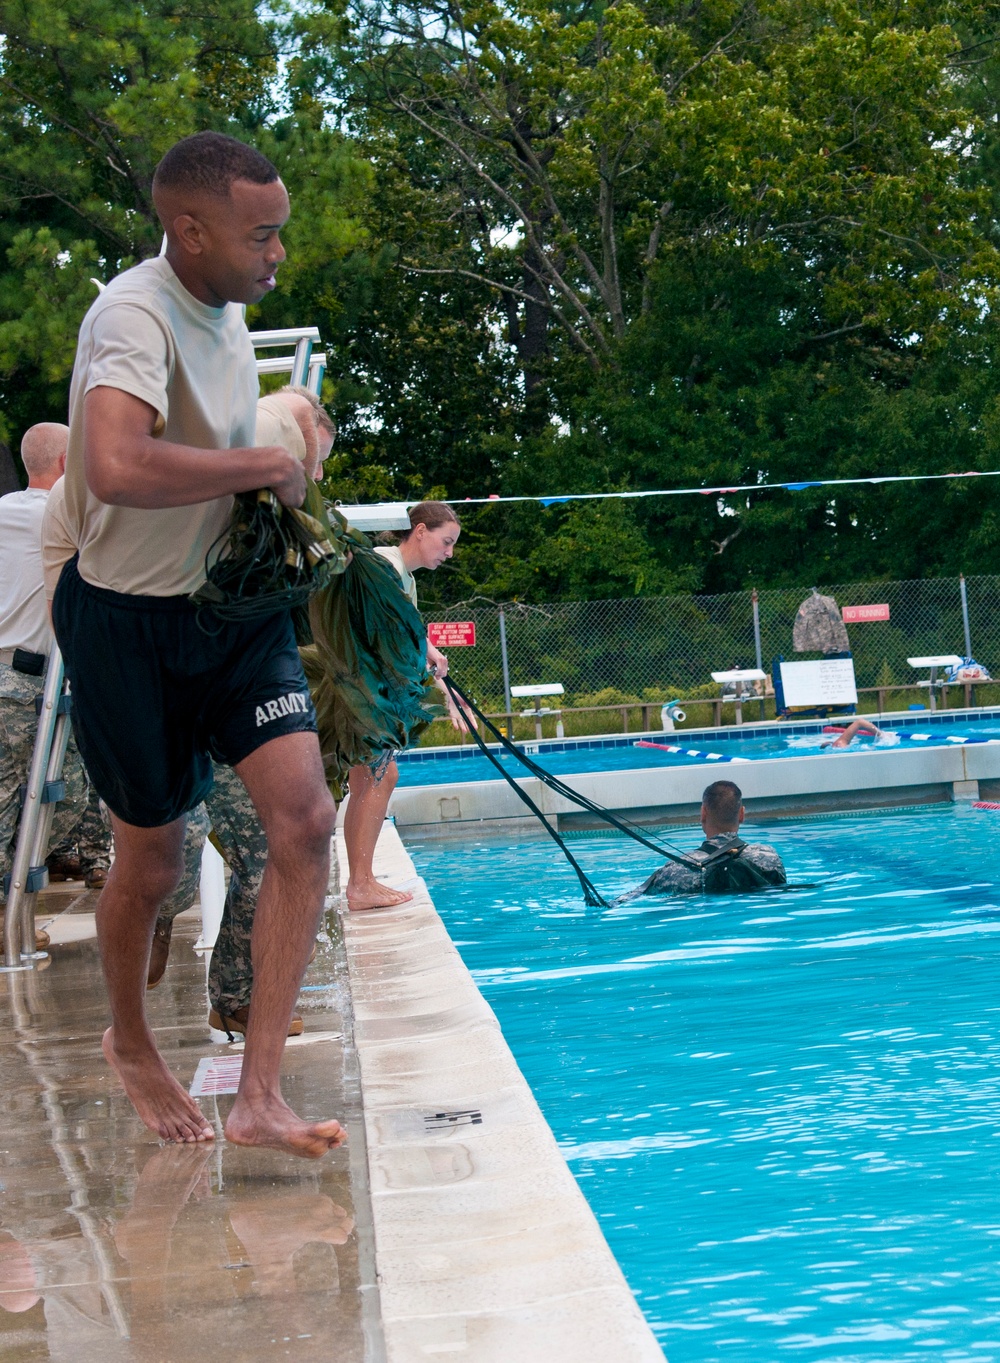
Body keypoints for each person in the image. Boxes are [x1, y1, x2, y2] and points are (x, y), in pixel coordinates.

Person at [50, 131, 346, 1156]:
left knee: (305, 822)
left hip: (228, 615)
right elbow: (119, 463)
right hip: (126, 622)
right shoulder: (131, 312)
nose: (276, 256)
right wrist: (260, 463)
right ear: (189, 229)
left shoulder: (225, 311)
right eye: (259, 236)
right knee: (152, 865)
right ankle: (129, 1039)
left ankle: (259, 1093)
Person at [0, 424, 110, 939]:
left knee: (42, 800)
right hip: (23, 683)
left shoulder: (6, 511)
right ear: (68, 464)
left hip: (25, 678)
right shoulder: (55, 515)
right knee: (55, 800)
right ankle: (9, 915)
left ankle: (10, 910)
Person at [343, 501, 467, 910]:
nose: (448, 553)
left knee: (367, 779)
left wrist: (435, 661)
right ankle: (360, 884)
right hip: (353, 687)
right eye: (445, 542)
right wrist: (442, 697)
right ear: (420, 530)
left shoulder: (403, 577)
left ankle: (362, 880)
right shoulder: (382, 565)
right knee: (382, 776)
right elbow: (384, 640)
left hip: (362, 689)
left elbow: (406, 634)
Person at [637, 780, 786, 895]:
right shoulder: (770, 858)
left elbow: (629, 899)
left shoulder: (676, 870)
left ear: (703, 814)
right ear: (741, 814)